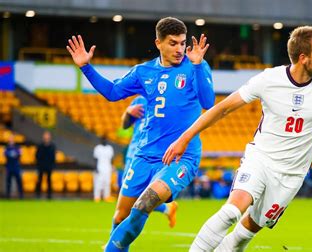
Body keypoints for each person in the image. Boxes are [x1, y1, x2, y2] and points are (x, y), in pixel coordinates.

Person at [163, 25, 312, 251]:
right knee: (231, 211)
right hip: (260, 160)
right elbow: (223, 108)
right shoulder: (269, 79)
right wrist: (185, 138)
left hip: (291, 176)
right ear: (303, 58)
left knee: (245, 234)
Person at [67, 16, 214, 251]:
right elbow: (113, 92)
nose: (179, 49)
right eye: (173, 43)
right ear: (158, 43)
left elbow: (208, 102)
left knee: (145, 203)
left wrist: (197, 65)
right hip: (144, 155)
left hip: (180, 156)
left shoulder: (195, 66)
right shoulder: (143, 72)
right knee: (119, 217)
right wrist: (86, 66)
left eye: (182, 43)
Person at [119, 95, 178, 229]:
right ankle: (166, 209)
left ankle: (114, 243)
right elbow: (124, 125)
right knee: (128, 197)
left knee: (132, 198)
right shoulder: (140, 101)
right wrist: (128, 112)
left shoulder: (169, 99)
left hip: (152, 155)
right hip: (134, 153)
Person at [35, 131, 56, 199]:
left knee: (49, 180)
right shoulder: (40, 146)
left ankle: (49, 195)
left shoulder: (52, 146)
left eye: (48, 136)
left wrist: (52, 165)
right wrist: (39, 164)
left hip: (49, 166)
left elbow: (53, 157)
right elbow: (37, 156)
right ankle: (38, 194)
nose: (46, 138)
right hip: (41, 166)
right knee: (39, 180)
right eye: (45, 136)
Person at [93, 137, 114, 202]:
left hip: (108, 167)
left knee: (107, 183)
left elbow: (111, 159)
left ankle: (107, 196)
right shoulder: (97, 148)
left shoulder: (110, 148)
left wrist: (112, 167)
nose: (104, 141)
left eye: (105, 140)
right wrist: (95, 168)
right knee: (98, 183)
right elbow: (95, 159)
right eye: (103, 140)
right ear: (101, 140)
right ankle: (97, 197)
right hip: (100, 167)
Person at [4, 134, 23, 199]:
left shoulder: (17, 147)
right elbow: (6, 154)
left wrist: (12, 155)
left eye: (12, 138)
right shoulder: (6, 147)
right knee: (8, 181)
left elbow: (19, 154)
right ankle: (8, 195)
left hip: (16, 166)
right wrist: (13, 154)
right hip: (9, 166)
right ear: (9, 139)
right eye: (10, 138)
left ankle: (21, 195)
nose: (11, 139)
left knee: (19, 181)